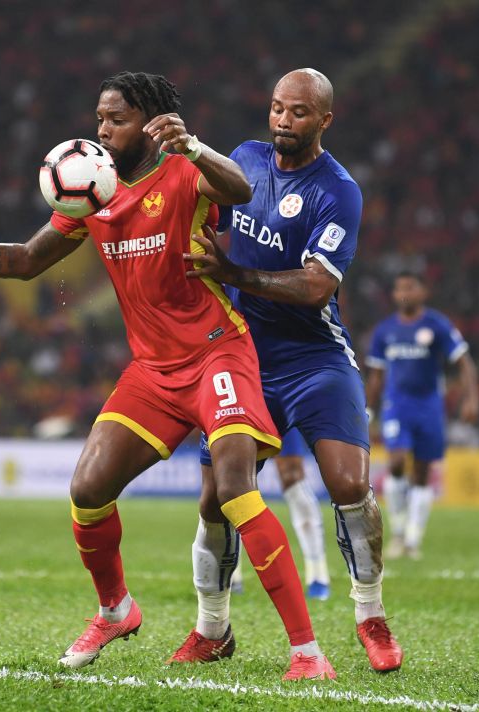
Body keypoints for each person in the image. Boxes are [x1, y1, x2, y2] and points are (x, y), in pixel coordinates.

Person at [0, 71, 336, 681]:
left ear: (147, 121)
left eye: (113, 119)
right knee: (88, 489)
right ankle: (116, 608)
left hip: (217, 353)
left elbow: (244, 189)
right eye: (99, 119)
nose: (101, 130)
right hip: (153, 371)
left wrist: (193, 145)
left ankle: (306, 652)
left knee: (233, 488)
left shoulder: (184, 171)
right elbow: (24, 261)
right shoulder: (92, 190)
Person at [168, 68, 403, 673]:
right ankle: (212, 629)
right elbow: (191, 206)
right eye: (276, 108)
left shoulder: (339, 191)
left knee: (350, 485)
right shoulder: (245, 159)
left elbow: (316, 286)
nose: (282, 120)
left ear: (324, 119)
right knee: (217, 498)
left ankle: (370, 616)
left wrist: (237, 277)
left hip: (315, 358)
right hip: (240, 356)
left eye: (298, 112)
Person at [365, 271, 479, 559]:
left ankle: (414, 538)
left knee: (423, 473)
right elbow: (376, 376)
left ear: (422, 292)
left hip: (429, 405)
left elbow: (464, 362)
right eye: (399, 288)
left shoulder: (437, 325)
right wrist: (366, 411)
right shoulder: (385, 330)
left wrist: (471, 398)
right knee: (397, 462)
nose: (404, 293)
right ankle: (399, 532)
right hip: (397, 405)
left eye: (410, 287)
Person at [227, 428, 331, 601]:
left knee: (292, 475)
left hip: (276, 401)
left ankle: (318, 574)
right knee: (232, 477)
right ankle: (231, 574)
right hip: (239, 403)